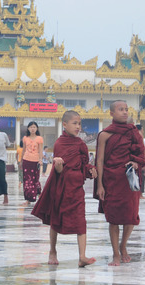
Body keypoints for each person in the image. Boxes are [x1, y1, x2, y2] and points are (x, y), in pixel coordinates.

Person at [32, 110, 97, 267]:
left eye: (79, 124)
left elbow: (82, 164)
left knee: (81, 221)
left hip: (77, 189)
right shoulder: (60, 143)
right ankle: (52, 251)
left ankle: (82, 256)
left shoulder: (81, 144)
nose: (78, 127)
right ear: (65, 125)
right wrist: (59, 166)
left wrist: (90, 170)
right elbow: (59, 170)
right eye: (74, 123)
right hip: (61, 188)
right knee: (56, 220)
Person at [94, 101, 145, 266]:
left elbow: (140, 154)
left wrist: (137, 162)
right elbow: (100, 160)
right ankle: (115, 253)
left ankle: (123, 246)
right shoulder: (105, 134)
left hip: (129, 179)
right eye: (120, 110)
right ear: (111, 113)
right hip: (111, 180)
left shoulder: (133, 132)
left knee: (131, 216)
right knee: (114, 219)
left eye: (126, 109)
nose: (124, 112)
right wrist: (100, 185)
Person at [21, 121, 43, 206]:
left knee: (35, 179)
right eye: (31, 127)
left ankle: (38, 194)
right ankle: (28, 199)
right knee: (27, 180)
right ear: (28, 128)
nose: (32, 129)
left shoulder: (39, 138)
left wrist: (40, 160)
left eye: (34, 127)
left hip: (35, 161)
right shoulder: (25, 138)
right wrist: (21, 161)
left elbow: (40, 150)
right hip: (26, 160)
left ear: (37, 128)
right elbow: (23, 150)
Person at [136, 124, 145, 200]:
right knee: (141, 178)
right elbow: (144, 152)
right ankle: (140, 194)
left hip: (135, 160)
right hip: (140, 161)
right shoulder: (143, 139)